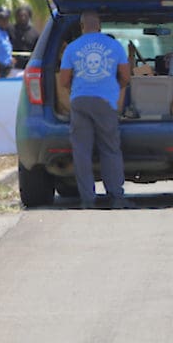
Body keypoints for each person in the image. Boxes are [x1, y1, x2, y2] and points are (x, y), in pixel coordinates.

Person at [58, 11, 133, 209]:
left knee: (81, 151)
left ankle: (87, 200)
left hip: (80, 102)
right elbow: (126, 75)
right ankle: (116, 197)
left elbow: (63, 80)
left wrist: (79, 86)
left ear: (82, 26)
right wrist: (114, 85)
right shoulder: (114, 45)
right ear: (99, 26)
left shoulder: (72, 48)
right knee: (110, 149)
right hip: (105, 102)